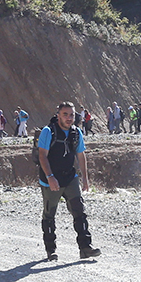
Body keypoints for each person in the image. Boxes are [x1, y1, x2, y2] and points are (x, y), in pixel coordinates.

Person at [37, 101, 100, 261]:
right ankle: (51, 250)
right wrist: (50, 177)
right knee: (49, 215)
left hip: (70, 177)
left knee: (79, 212)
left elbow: (81, 155)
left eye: (71, 115)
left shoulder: (76, 132)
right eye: (65, 114)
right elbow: (42, 156)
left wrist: (85, 178)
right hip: (50, 179)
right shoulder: (48, 131)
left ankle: (85, 247)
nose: (69, 118)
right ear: (58, 115)